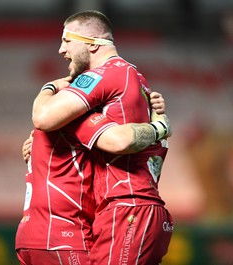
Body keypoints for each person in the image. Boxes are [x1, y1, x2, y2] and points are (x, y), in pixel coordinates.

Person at [30, 10, 173, 265]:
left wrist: (49, 87)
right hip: (137, 208)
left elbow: (43, 117)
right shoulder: (136, 79)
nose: (62, 50)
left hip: (128, 208)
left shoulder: (104, 74)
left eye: (67, 41)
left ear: (93, 43)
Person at [16, 97, 170, 265]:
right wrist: (160, 125)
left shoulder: (51, 127)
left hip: (31, 236)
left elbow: (120, 139)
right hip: (63, 236)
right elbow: (122, 140)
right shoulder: (80, 121)